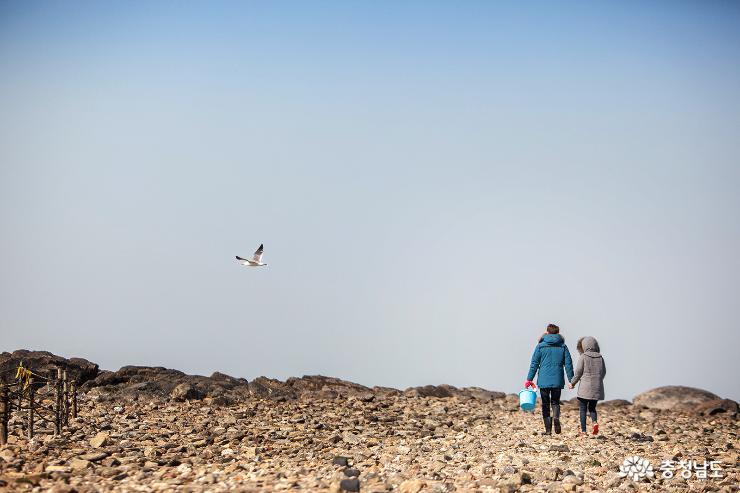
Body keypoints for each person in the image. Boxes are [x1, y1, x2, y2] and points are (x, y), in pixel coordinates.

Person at [524, 324, 574, 435]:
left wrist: (529, 379)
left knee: (545, 404)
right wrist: (572, 380)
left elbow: (534, 364)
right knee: (555, 402)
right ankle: (556, 417)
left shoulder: (540, 346)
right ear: (558, 333)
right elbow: (568, 364)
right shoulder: (563, 346)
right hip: (558, 380)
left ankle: (548, 430)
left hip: (543, 380)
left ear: (547, 332)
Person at [568, 336, 606, 436]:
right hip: (597, 387)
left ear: (584, 346)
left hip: (585, 387)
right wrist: (598, 380)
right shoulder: (600, 357)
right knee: (592, 408)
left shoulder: (583, 357)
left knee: (583, 409)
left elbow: (578, 373)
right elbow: (603, 372)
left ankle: (584, 432)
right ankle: (594, 422)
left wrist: (572, 383)